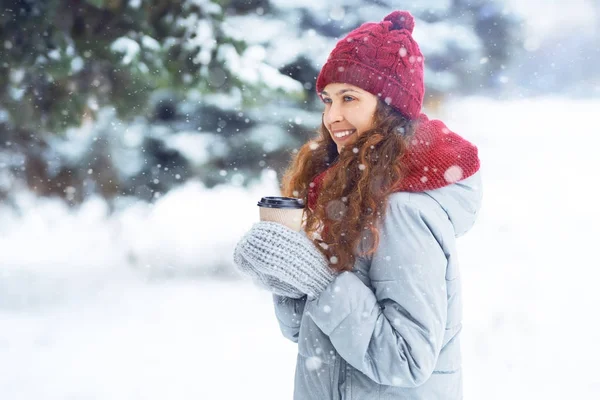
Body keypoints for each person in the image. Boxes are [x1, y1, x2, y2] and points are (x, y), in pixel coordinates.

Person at [234, 10, 482, 400]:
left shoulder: (404, 213)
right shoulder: (350, 194)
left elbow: (405, 360)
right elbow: (304, 332)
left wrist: (322, 279)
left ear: (389, 107)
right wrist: (285, 276)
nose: (332, 116)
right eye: (328, 100)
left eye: (349, 98)